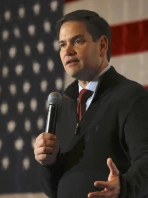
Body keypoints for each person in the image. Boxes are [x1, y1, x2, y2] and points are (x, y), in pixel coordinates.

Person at [34, 10, 148, 198]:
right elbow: (54, 190)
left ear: (102, 45)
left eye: (77, 41)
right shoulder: (63, 105)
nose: (67, 51)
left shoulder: (131, 96)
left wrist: (123, 187)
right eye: (62, 45)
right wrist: (48, 164)